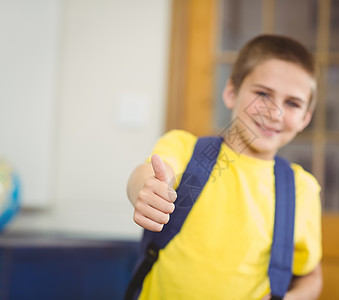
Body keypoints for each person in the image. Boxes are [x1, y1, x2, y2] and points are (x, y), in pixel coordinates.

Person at [126, 34, 323, 300]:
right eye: (263, 94)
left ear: (305, 118)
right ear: (231, 92)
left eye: (292, 103)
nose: (274, 112)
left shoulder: (302, 189)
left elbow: (311, 275)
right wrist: (147, 190)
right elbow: (150, 173)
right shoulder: (185, 148)